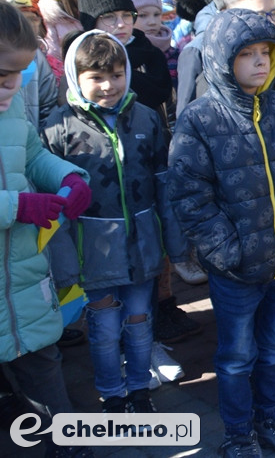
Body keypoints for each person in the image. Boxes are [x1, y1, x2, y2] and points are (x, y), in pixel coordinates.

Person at [167, 9, 275, 458]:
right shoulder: (200, 119)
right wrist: (227, 251)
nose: (259, 63)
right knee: (236, 356)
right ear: (220, 58)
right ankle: (239, 433)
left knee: (274, 347)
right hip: (235, 269)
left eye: (266, 53)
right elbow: (189, 196)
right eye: (247, 54)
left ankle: (271, 419)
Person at [42, 31, 182, 414]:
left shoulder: (147, 119)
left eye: (117, 75)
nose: (108, 86)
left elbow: (163, 183)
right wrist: (65, 260)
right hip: (94, 249)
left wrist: (174, 240)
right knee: (103, 329)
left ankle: (139, 390)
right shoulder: (58, 127)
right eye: (96, 77)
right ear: (75, 77)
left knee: (139, 323)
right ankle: (113, 394)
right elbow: (54, 206)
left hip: (141, 245)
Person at [0, 3, 94, 458]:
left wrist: (69, 177)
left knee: (42, 357)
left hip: (22, 270)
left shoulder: (13, 101)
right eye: (2, 75)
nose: (12, 87)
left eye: (19, 74)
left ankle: (67, 442)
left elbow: (33, 154)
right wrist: (17, 205)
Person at [76, 0, 172, 118]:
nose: (121, 24)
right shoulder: (79, 64)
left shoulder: (152, 54)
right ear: (91, 24)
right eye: (109, 17)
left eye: (127, 15)